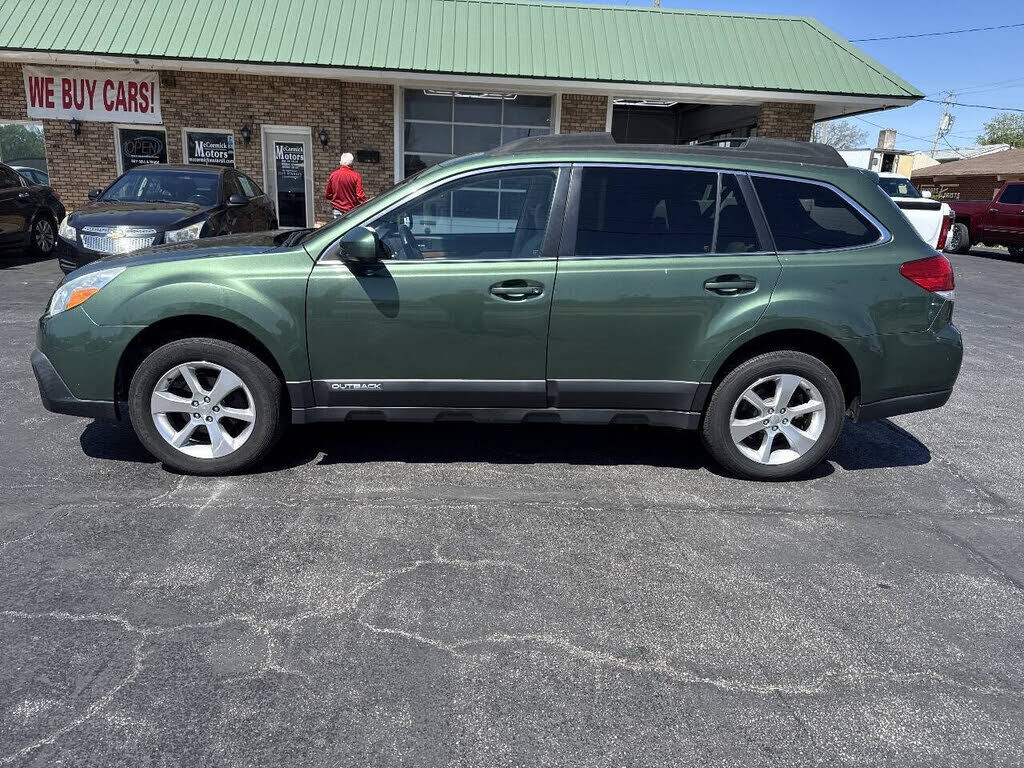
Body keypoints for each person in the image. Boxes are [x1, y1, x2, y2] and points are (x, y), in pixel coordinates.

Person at [325, 152, 367, 217]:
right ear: (352, 163)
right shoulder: (356, 176)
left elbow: (328, 195)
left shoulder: (333, 175)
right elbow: (360, 196)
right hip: (351, 211)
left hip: (337, 210)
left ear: (340, 162)